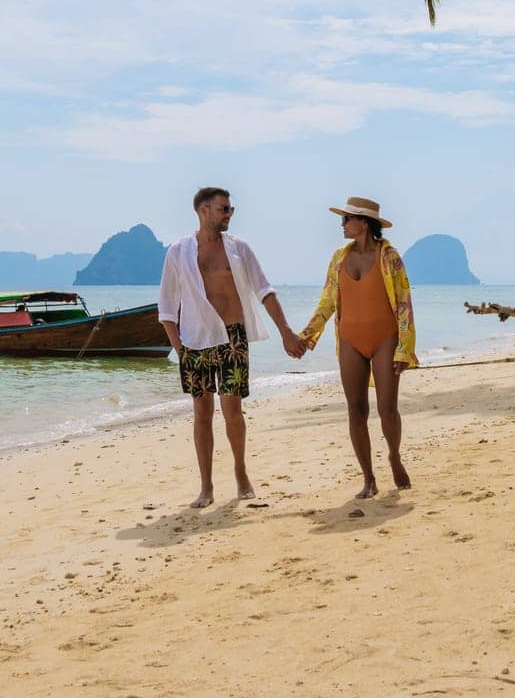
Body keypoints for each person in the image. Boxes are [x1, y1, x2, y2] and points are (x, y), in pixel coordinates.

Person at [158, 186, 308, 508]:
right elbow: (167, 306)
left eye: (230, 209)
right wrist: (179, 351)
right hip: (195, 341)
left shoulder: (239, 250)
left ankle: (240, 473)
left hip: (232, 337)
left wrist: (285, 332)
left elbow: (265, 290)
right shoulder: (178, 252)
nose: (229, 214)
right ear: (204, 211)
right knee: (201, 413)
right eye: (224, 209)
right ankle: (206, 486)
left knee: (232, 410)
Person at [301, 194, 418, 500]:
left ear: (363, 224)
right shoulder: (339, 257)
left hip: (385, 339)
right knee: (355, 410)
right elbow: (327, 300)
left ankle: (394, 455)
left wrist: (405, 348)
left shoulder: (389, 256)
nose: (342, 225)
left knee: (387, 408)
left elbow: (404, 303)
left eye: (346, 219)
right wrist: (308, 335)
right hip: (350, 339)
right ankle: (368, 478)